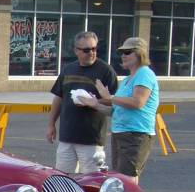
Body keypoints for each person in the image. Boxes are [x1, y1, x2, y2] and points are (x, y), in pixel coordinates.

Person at [84, 37, 159, 184]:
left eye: (128, 52)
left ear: (140, 53)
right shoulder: (127, 80)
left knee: (127, 180)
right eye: (121, 52)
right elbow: (115, 111)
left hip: (135, 134)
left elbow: (138, 102)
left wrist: (110, 97)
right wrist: (95, 104)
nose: (123, 55)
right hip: (120, 133)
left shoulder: (144, 74)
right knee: (120, 178)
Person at [46, 31, 118, 173]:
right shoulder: (68, 69)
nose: (91, 53)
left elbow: (114, 101)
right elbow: (59, 97)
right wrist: (51, 124)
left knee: (92, 179)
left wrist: (93, 101)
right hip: (67, 136)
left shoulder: (106, 71)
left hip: (91, 138)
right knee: (63, 177)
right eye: (86, 50)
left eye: (94, 49)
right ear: (76, 50)